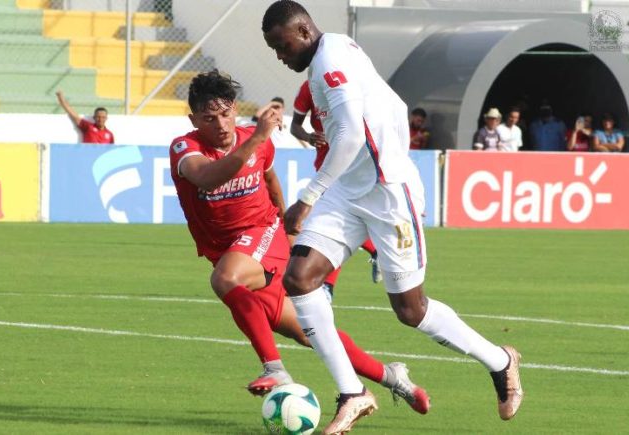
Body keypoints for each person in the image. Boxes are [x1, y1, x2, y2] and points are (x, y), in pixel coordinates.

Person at [262, 2, 523, 434]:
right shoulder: (334, 49)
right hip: (349, 190)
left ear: (304, 31)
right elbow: (390, 107)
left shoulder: (329, 63)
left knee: (411, 310)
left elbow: (347, 134)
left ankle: (500, 361)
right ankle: (353, 393)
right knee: (299, 277)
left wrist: (307, 197)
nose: (279, 55)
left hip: (386, 194)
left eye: (281, 45)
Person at [168, 70, 430, 415]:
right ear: (193, 120)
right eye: (209, 118)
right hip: (236, 251)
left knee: (225, 279)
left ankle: (274, 370)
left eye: (226, 113)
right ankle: (393, 377)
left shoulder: (256, 140)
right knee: (313, 333)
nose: (220, 124)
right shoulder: (185, 147)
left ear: (234, 110)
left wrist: (287, 222)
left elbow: (270, 180)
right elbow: (206, 176)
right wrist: (257, 138)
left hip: (261, 235)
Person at [290, 79, 383, 293]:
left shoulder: (350, 86)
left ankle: (328, 287)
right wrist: (309, 136)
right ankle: (372, 252)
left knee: (330, 225)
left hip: (356, 164)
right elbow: (295, 126)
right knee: (332, 225)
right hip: (326, 166)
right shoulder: (307, 88)